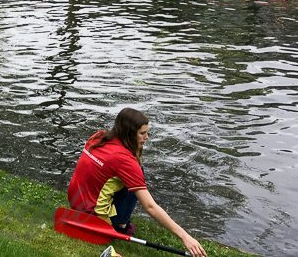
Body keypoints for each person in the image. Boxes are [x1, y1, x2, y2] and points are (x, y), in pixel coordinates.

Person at [67, 108, 207, 257]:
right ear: (128, 133)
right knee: (138, 175)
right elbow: (150, 206)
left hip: (75, 202)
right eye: (142, 133)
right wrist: (185, 237)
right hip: (96, 218)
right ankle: (120, 224)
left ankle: (114, 218)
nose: (147, 137)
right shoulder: (125, 161)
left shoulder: (99, 136)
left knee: (134, 174)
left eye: (147, 132)